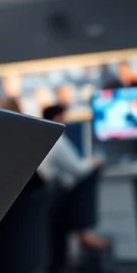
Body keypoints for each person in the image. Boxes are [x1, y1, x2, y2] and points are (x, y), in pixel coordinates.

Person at [39, 104, 109, 250]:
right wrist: (93, 162)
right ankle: (85, 232)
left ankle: (84, 232)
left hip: (46, 194)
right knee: (90, 174)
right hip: (53, 196)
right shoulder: (58, 142)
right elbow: (78, 170)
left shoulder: (44, 138)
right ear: (58, 117)